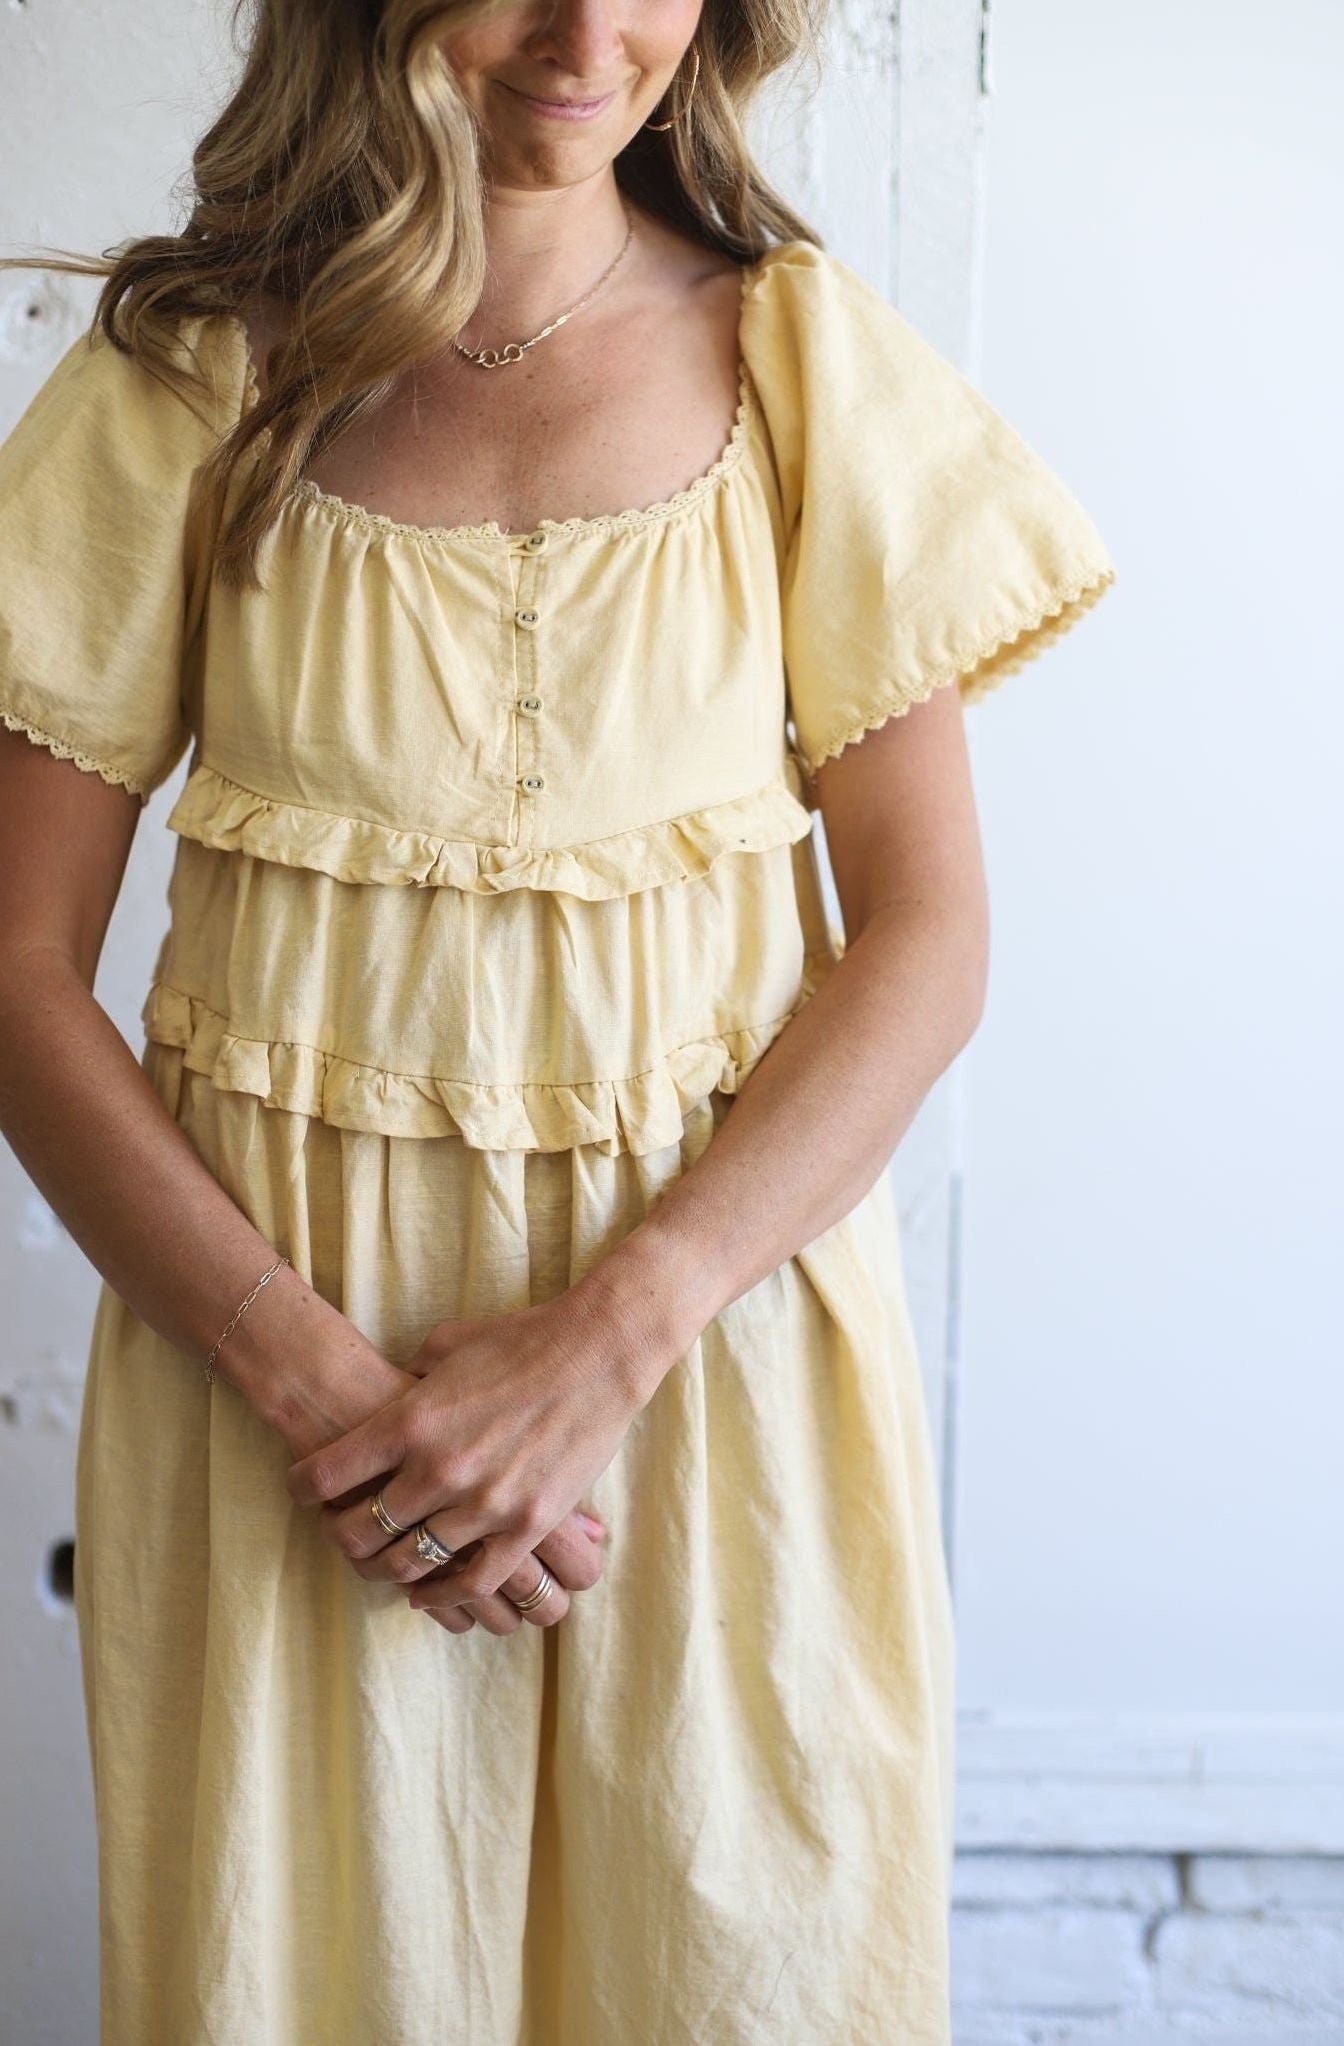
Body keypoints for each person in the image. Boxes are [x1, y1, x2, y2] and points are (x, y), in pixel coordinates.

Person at [0, 3, 1116, 2041]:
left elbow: (928, 935)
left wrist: (602, 1349)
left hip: (711, 1383)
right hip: (282, 1410)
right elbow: (11, 972)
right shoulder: (186, 387)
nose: (587, 30)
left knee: (730, 1975)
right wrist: (330, 1402)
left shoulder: (803, 371)